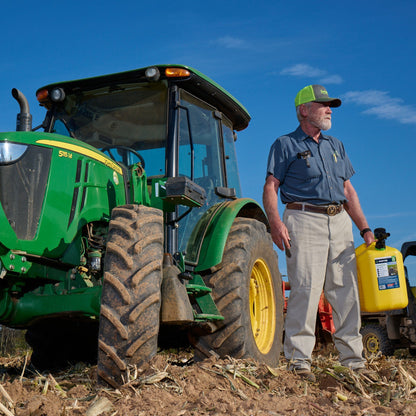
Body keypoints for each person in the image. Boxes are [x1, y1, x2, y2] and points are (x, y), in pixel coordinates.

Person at [263, 84, 375, 382]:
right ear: (303, 110)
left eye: (330, 105)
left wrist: (364, 228)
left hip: (338, 221)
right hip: (303, 219)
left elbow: (347, 190)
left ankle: (354, 360)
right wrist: (275, 223)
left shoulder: (336, 145)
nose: (329, 109)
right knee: (305, 289)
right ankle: (299, 361)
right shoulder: (284, 144)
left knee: (345, 291)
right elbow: (271, 186)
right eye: (323, 104)